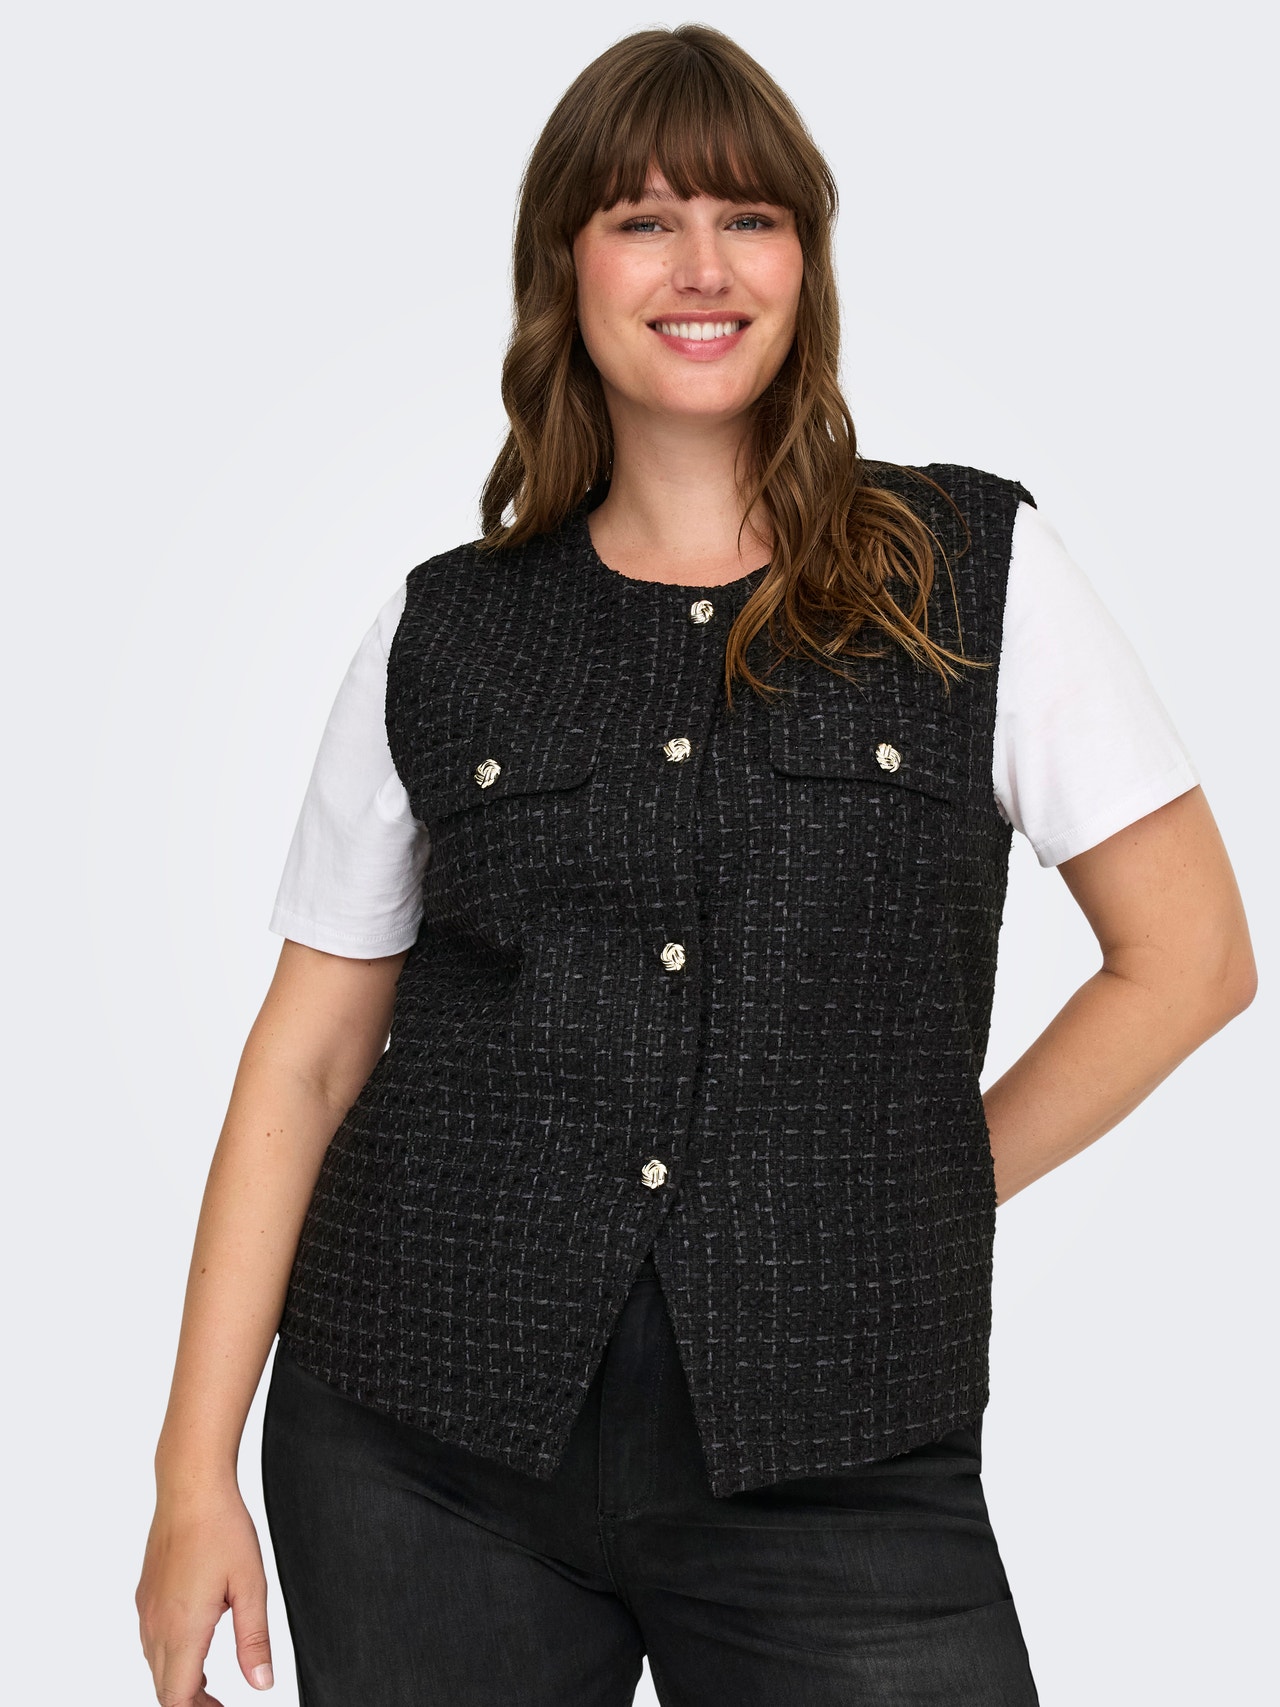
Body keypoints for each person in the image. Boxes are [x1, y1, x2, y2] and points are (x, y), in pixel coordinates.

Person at [136, 23, 1256, 1707]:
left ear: (806, 260)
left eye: (749, 217)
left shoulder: (970, 571)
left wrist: (922, 1186)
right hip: (420, 1445)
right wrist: (189, 1474)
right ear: (566, 269)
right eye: (644, 220)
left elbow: (1192, 958)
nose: (703, 266)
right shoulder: (445, 631)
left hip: (843, 1453)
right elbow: (307, 1053)